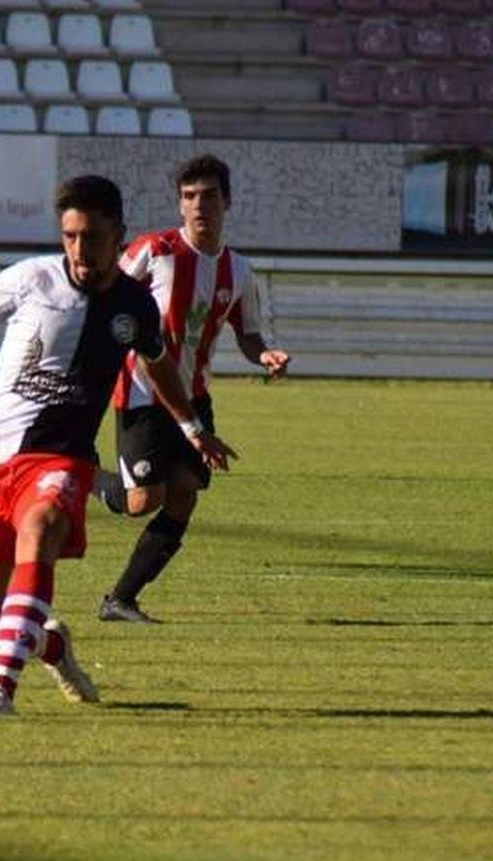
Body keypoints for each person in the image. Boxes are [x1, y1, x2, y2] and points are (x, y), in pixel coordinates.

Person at [0, 175, 228, 718]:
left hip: (60, 456)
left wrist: (192, 427)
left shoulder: (135, 306)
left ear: (118, 236)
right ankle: (51, 645)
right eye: (70, 236)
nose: (78, 249)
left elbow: (158, 364)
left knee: (43, 524)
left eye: (91, 237)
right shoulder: (32, 279)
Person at [94, 154, 290, 624]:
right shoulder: (154, 250)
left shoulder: (238, 271)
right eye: (189, 196)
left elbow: (248, 333)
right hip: (142, 391)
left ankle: (121, 599)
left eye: (208, 196)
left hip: (194, 395)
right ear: (180, 205)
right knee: (142, 501)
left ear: (227, 202)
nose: (199, 205)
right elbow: (104, 293)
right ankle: (85, 473)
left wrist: (264, 354)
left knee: (183, 493)